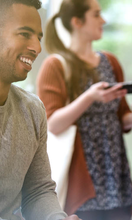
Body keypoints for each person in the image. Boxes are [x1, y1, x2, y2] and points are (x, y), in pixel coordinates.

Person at [37, 0, 132, 219]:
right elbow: (52, 123)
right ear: (77, 21)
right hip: (83, 180)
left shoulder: (110, 61)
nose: (104, 20)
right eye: (97, 15)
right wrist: (89, 97)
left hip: (116, 178)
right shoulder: (55, 65)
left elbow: (121, 118)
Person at [0, 0, 81, 220]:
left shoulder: (33, 110)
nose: (36, 48)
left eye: (38, 37)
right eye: (25, 34)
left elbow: (36, 191)